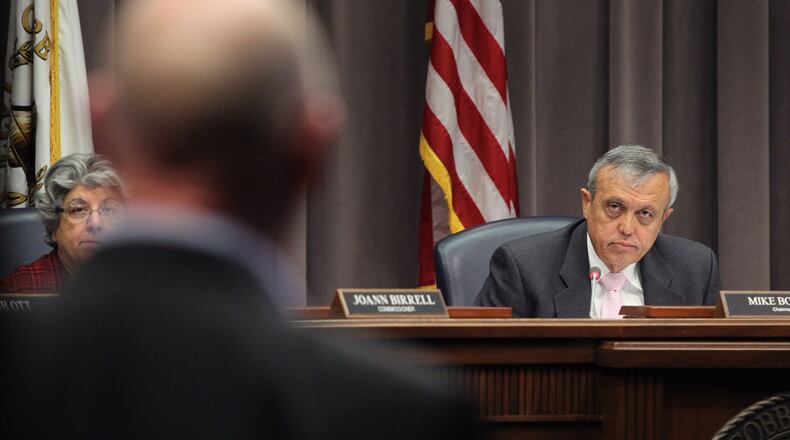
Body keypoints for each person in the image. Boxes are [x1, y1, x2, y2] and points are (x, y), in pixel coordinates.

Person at [0, 0, 479, 439]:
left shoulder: (17, 378)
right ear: (313, 149)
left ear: (102, 125)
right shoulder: (404, 416)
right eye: (80, 211)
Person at [475, 144, 721, 318]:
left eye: (645, 214)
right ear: (587, 203)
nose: (626, 228)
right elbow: (487, 362)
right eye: (614, 207)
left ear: (663, 219)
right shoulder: (524, 267)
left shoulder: (696, 268)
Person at [0, 153, 124, 293]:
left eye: (108, 210)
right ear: (54, 226)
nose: (95, 224)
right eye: (78, 210)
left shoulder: (142, 282)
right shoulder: (18, 289)